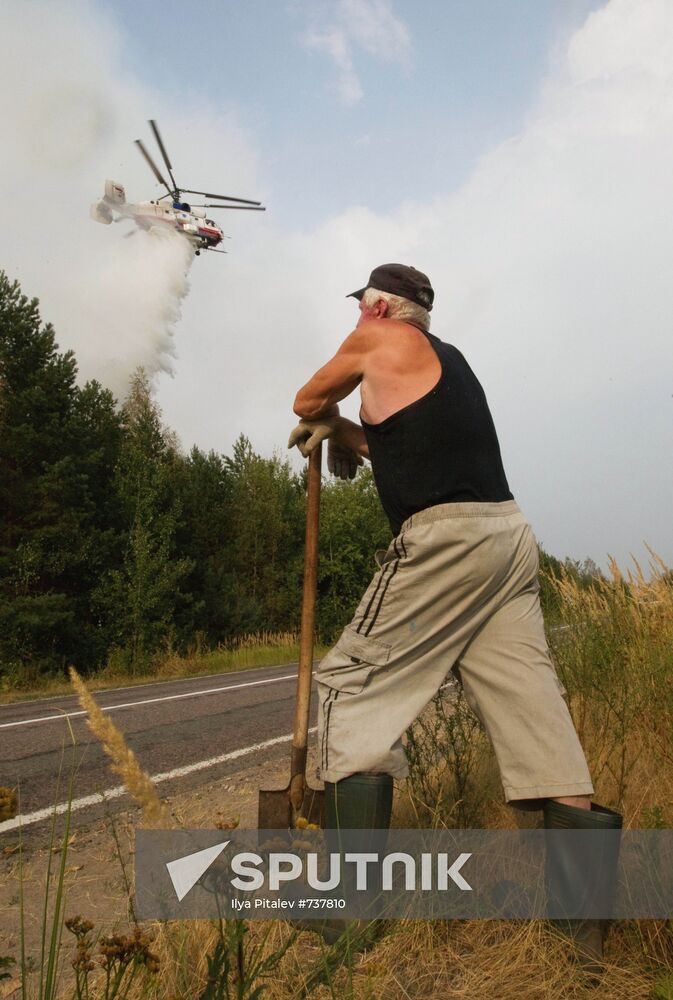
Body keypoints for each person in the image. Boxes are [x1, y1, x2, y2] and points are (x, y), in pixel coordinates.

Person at [288, 263, 621, 971]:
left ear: (378, 307)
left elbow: (305, 396)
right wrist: (348, 436)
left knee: (350, 685)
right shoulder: (449, 360)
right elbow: (400, 445)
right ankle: (581, 938)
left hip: (444, 540)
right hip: (506, 538)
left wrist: (323, 417)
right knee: (535, 714)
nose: (360, 315)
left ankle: (351, 917)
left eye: (362, 307)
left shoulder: (372, 338)